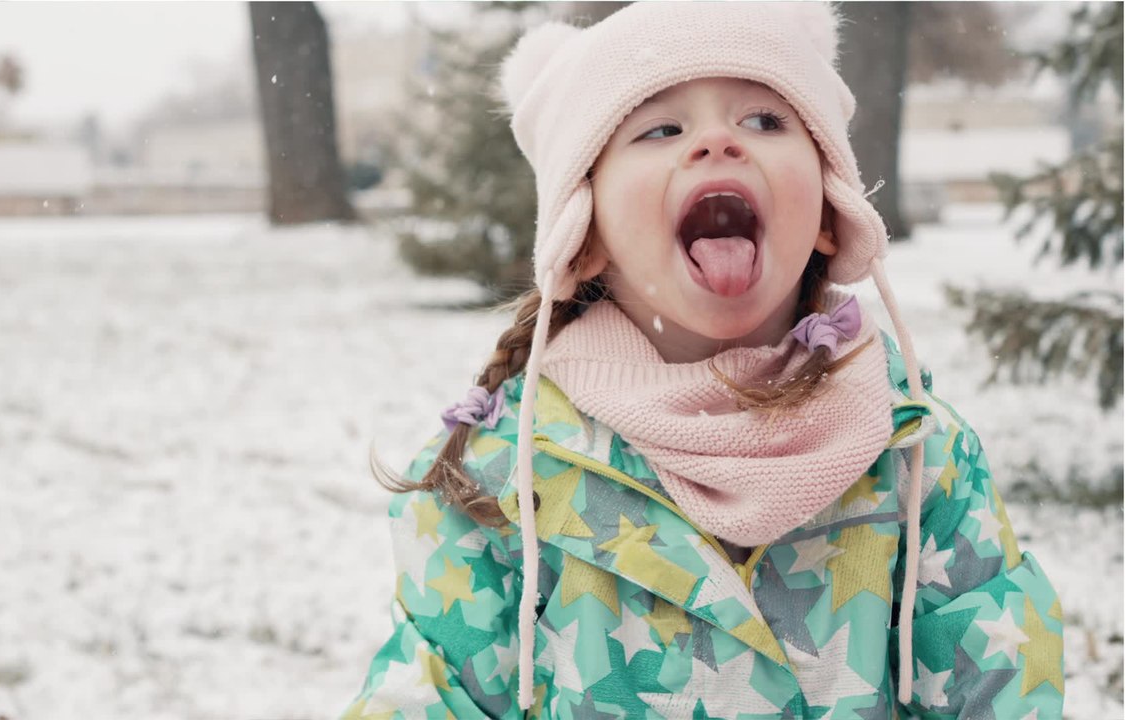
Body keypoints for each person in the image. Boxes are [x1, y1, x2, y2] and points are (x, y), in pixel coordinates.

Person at [344, 3, 1064, 718]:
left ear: (826, 210)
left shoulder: (912, 452)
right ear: (583, 234)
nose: (718, 142)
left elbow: (999, 686)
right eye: (661, 128)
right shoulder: (507, 476)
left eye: (765, 120)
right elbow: (429, 694)